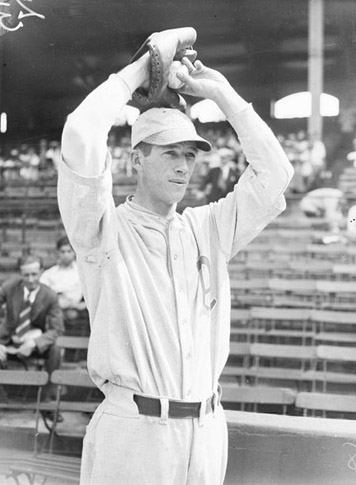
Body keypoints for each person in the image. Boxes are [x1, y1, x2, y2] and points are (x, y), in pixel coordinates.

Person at [58, 27, 293, 485]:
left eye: (190, 153)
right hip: (134, 433)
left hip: (206, 430)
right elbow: (81, 133)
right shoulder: (103, 228)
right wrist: (140, 71)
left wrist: (222, 94)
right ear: (137, 161)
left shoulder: (207, 226)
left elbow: (275, 175)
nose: (184, 165)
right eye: (170, 153)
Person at [0, 254, 64, 402]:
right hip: (8, 338)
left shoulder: (50, 296)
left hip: (33, 339)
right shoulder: (9, 287)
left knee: (56, 349)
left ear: (41, 271)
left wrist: (35, 343)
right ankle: (2, 399)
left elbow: (57, 329)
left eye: (34, 274)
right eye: (26, 275)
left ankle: (46, 398)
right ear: (20, 273)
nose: (30, 279)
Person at [40, 236, 85, 313]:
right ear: (57, 253)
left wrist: (82, 305)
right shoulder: (49, 274)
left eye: (69, 251)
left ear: (74, 252)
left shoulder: (81, 272)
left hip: (78, 310)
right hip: (55, 310)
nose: (66, 255)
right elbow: (41, 294)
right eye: (63, 252)